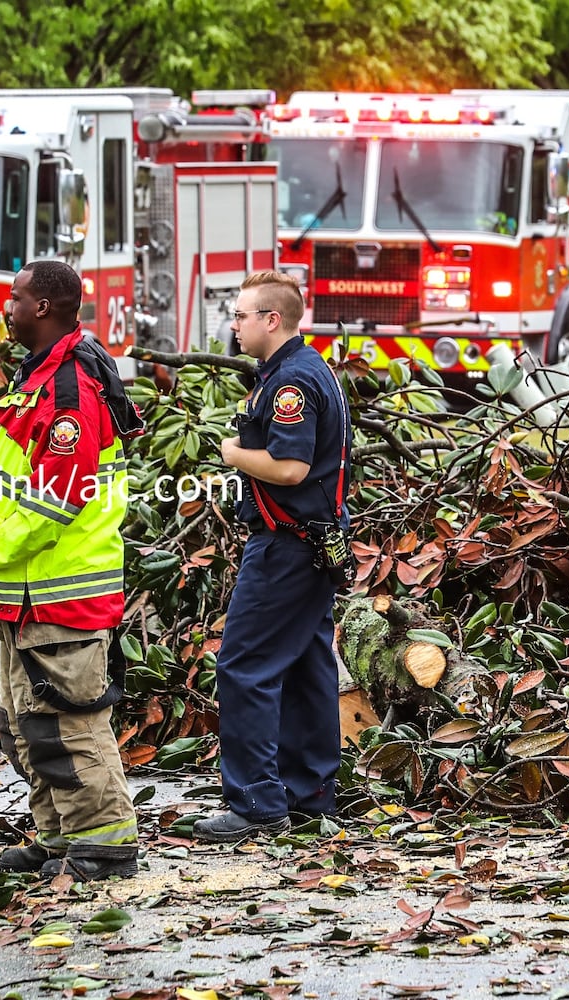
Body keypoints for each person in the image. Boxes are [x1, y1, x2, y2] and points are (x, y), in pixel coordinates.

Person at [0, 259, 145, 881]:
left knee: (70, 723)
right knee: (31, 725)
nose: (5, 310)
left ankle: (104, 842)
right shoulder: (40, 376)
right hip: (26, 593)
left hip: (54, 588)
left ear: (42, 307)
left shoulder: (68, 387)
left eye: (14, 299)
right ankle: (59, 836)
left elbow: (60, 495)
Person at [195, 270, 352, 843]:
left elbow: (291, 468)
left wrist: (233, 452)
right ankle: (310, 792)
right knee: (308, 665)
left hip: (287, 545)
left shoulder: (290, 384)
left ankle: (256, 802)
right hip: (313, 543)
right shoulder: (303, 371)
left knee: (244, 665)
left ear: (272, 320)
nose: (233, 325)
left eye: (240, 316)